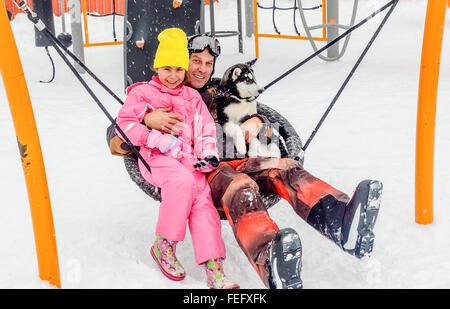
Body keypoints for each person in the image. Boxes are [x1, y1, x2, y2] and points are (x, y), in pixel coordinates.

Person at [109, 33, 383, 289]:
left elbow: (266, 119)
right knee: (239, 186)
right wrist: (147, 119)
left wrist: (258, 121)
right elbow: (118, 131)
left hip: (243, 159)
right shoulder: (155, 96)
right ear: (182, 61)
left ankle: (342, 221)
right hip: (208, 171)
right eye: (195, 62)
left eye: (208, 63)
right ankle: (270, 260)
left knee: (283, 167)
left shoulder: (220, 92)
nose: (201, 69)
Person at [114, 28, 239, 289]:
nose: (173, 76)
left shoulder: (192, 97)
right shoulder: (142, 93)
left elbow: (205, 129)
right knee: (181, 182)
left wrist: (207, 154)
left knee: (202, 199)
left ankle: (213, 264)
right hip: (155, 157)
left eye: (179, 70)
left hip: (189, 159)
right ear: (156, 68)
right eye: (167, 69)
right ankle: (164, 244)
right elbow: (124, 125)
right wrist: (155, 136)